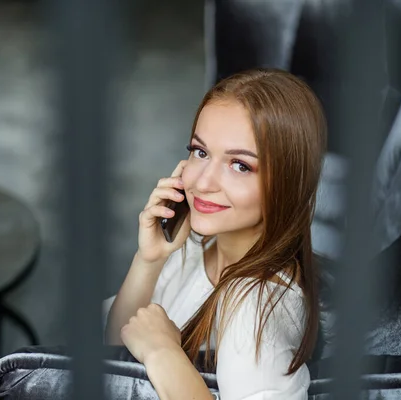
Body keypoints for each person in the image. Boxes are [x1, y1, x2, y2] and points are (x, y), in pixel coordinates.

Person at [104, 68, 326, 399]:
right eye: (200, 152)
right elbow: (115, 349)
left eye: (240, 166)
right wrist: (149, 260)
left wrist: (163, 353)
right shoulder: (195, 246)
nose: (203, 182)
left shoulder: (255, 309)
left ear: (288, 185)